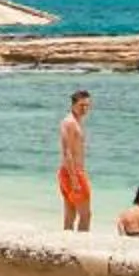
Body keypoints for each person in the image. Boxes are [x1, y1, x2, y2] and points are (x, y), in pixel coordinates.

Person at [58, 88, 93, 231]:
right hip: (73, 172)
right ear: (73, 105)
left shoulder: (75, 122)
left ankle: (66, 243)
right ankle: (83, 242)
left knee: (70, 214)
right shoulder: (69, 122)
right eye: (81, 105)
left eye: (87, 105)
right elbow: (67, 151)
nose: (85, 109)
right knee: (86, 215)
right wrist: (74, 178)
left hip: (68, 172)